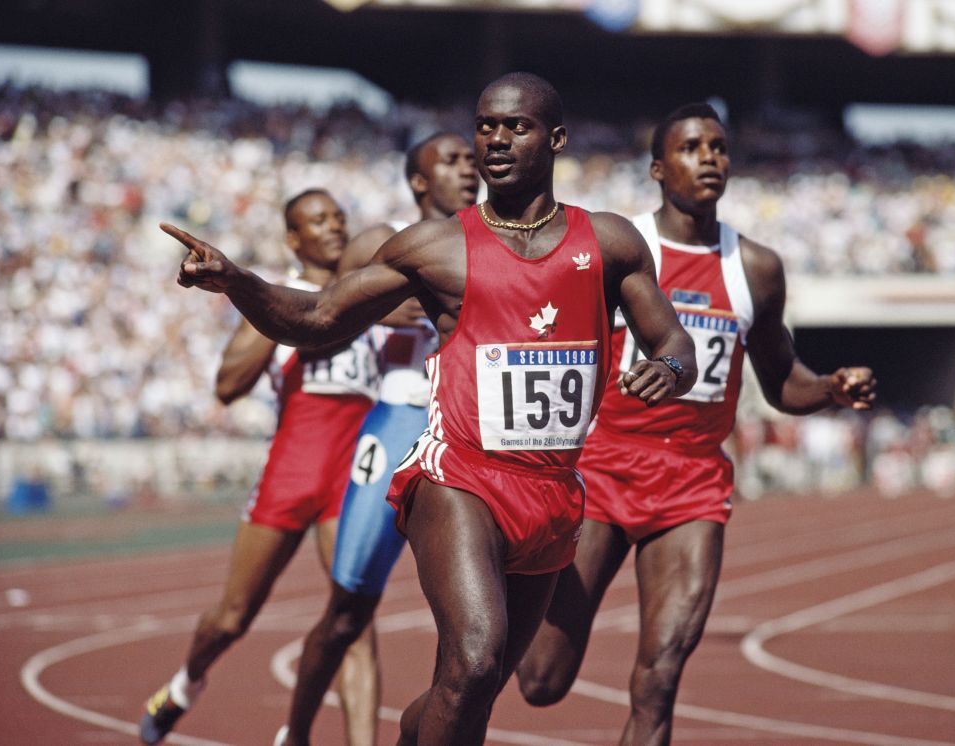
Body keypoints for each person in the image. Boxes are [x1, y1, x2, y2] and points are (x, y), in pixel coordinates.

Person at [164, 72, 697, 746]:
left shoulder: (612, 244)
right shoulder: (437, 249)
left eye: (516, 126)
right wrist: (236, 281)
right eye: (485, 126)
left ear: (557, 138)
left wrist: (671, 367)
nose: (495, 139)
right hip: (459, 479)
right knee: (474, 659)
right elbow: (320, 316)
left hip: (554, 490)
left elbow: (672, 338)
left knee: (474, 687)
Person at [515, 102, 877, 745]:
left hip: (691, 484)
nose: (709, 157)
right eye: (691, 147)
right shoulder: (620, 249)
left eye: (719, 147)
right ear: (658, 167)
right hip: (601, 470)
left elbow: (781, 381)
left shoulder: (756, 269)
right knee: (541, 680)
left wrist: (829, 388)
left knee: (658, 681)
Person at [139, 189, 380, 745]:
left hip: (351, 479)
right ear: (293, 238)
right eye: (317, 220)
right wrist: (284, 319)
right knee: (231, 618)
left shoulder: (371, 291)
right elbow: (226, 386)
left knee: (354, 621)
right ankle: (186, 683)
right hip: (291, 473)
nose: (334, 227)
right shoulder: (278, 296)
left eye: (339, 216)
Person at [274, 132, 479, 746]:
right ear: (418, 181)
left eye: (471, 159)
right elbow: (321, 314)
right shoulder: (379, 239)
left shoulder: (496, 239)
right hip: (396, 420)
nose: (467, 169)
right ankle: (298, 733)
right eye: (450, 161)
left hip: (468, 430)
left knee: (472, 634)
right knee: (347, 614)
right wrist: (379, 309)